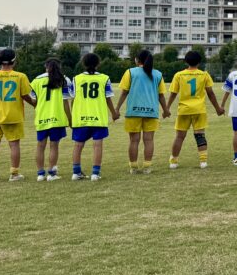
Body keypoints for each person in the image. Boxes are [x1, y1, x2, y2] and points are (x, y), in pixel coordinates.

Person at [0, 48, 35, 183]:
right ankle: (14, 174)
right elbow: (25, 95)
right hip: (13, 116)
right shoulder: (20, 76)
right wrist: (35, 104)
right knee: (14, 145)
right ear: (14, 61)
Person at [115, 48, 170, 174]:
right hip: (151, 112)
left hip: (133, 112)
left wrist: (117, 109)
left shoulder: (130, 72)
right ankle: (147, 167)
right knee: (149, 140)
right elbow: (161, 95)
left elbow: (124, 92)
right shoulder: (158, 74)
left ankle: (133, 167)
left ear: (136, 60)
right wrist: (166, 110)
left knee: (134, 140)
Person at [167, 49, 223, 169]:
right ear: (199, 62)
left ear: (186, 61)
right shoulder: (204, 75)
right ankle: (203, 162)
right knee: (200, 136)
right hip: (199, 110)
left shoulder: (179, 75)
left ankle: (173, 161)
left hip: (184, 110)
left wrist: (166, 108)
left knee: (179, 136)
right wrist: (218, 108)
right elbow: (211, 93)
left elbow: (173, 93)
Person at [69, 52, 119, 181]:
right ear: (98, 64)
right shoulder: (104, 78)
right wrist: (114, 113)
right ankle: (95, 173)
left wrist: (72, 114)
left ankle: (76, 172)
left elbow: (73, 99)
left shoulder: (76, 78)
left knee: (78, 145)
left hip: (81, 117)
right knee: (97, 145)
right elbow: (108, 98)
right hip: (98, 116)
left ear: (83, 64)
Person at [30, 57, 72, 182]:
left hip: (42, 117)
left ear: (46, 66)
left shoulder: (37, 80)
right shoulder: (64, 79)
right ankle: (52, 174)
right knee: (54, 146)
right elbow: (65, 103)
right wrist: (70, 120)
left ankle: (40, 174)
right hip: (57, 117)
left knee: (40, 145)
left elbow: (33, 100)